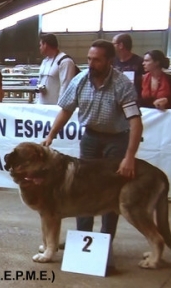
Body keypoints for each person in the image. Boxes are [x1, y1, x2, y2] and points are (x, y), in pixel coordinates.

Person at [42, 40, 143, 268]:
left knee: (111, 192)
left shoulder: (122, 84)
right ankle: (82, 238)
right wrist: (51, 135)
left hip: (117, 140)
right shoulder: (79, 81)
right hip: (90, 138)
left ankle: (105, 241)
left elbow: (135, 123)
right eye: (89, 59)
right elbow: (66, 110)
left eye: (96, 59)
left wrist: (129, 156)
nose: (91, 63)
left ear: (109, 61)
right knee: (81, 188)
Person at [36, 34, 76, 105]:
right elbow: (39, 81)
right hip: (41, 106)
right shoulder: (45, 61)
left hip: (55, 108)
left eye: (40, 45)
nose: (40, 48)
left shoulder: (65, 61)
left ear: (45, 45)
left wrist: (60, 107)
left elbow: (65, 86)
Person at [112, 33, 144, 100]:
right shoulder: (112, 61)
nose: (112, 47)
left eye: (113, 44)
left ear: (121, 45)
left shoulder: (140, 62)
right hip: (117, 97)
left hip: (134, 98)